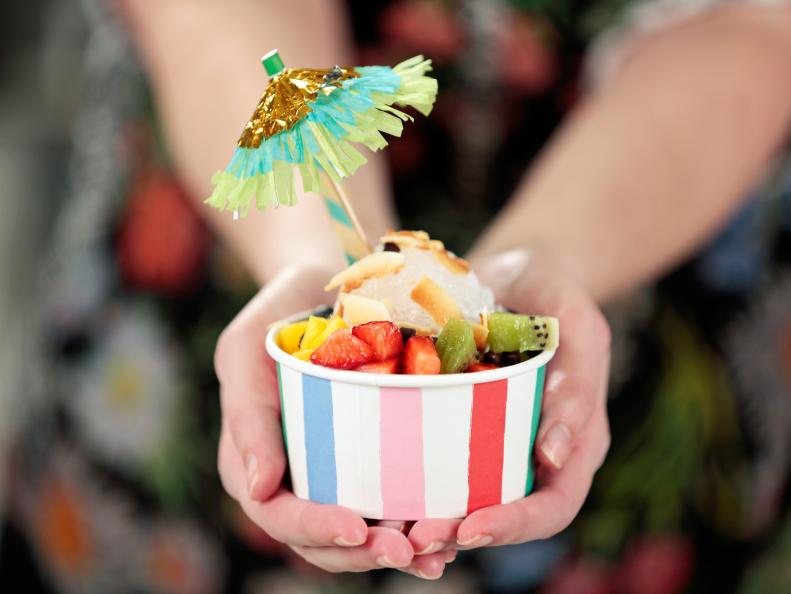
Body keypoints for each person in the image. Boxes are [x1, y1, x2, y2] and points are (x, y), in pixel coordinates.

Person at [3, 0, 791, 590]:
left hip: (656, 257)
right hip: (190, 331)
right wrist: (319, 259)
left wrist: (546, 259)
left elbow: (753, 25)